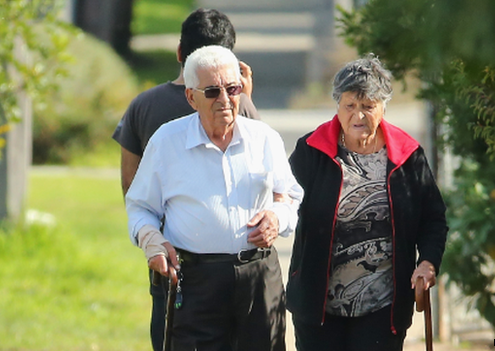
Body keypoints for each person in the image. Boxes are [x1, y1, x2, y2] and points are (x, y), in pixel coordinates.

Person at [125, 45, 303, 351]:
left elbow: (289, 195)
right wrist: (151, 240)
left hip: (259, 277)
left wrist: (277, 217)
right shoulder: (167, 142)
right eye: (212, 92)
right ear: (191, 97)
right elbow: (141, 207)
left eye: (232, 89)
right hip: (196, 280)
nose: (224, 100)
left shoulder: (264, 138)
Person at [112, 9, 260, 350]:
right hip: (234, 265)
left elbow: (130, 185)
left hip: (168, 257)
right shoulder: (240, 107)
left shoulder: (143, 105)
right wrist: (247, 98)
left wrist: (151, 232)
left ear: (180, 53)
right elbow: (261, 178)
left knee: (172, 336)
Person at [286, 54, 448, 351]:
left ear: (383, 107)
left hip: (383, 307)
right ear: (338, 105)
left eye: (368, 107)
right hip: (317, 306)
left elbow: (433, 218)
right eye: (350, 106)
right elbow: (283, 199)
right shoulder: (311, 150)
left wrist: (427, 262)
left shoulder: (407, 156)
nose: (358, 116)